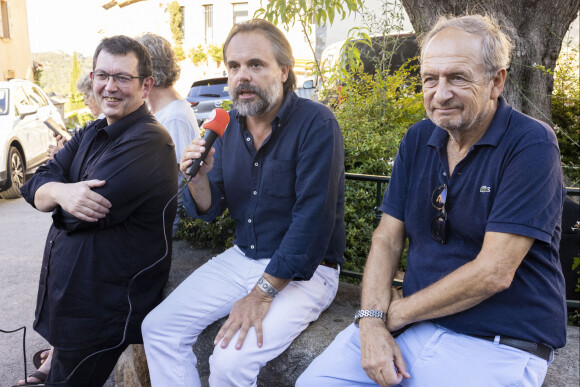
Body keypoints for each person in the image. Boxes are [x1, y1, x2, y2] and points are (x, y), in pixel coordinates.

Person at [297, 14, 566, 387]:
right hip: (414, 325)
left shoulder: (530, 143)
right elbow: (387, 238)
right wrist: (372, 321)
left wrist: (396, 312)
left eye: (457, 77)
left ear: (496, 81)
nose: (440, 94)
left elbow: (494, 272)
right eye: (430, 79)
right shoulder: (419, 138)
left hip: (499, 340)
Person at [142, 19, 345, 386]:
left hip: (307, 272)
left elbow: (312, 223)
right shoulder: (229, 126)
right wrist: (199, 176)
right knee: (158, 328)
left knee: (229, 363)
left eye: (256, 64)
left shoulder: (317, 123)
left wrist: (261, 294)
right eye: (234, 67)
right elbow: (210, 209)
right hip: (243, 257)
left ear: (283, 71)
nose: (242, 76)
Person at [19, 35, 177, 387]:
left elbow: (77, 216)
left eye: (123, 77)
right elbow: (34, 183)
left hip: (103, 308)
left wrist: (57, 198)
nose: (109, 86)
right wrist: (62, 190)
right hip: (73, 301)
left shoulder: (149, 141)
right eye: (102, 75)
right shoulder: (93, 130)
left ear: (146, 85)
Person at [137, 32, 200, 238]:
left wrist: (165, 232)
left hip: (158, 229)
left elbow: (180, 181)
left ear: (148, 72)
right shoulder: (158, 111)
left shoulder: (174, 116)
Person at [47, 74, 104, 160]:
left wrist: (62, 156)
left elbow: (90, 165)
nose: (85, 103)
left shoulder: (102, 126)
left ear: (98, 95)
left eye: (86, 96)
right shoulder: (101, 124)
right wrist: (69, 144)